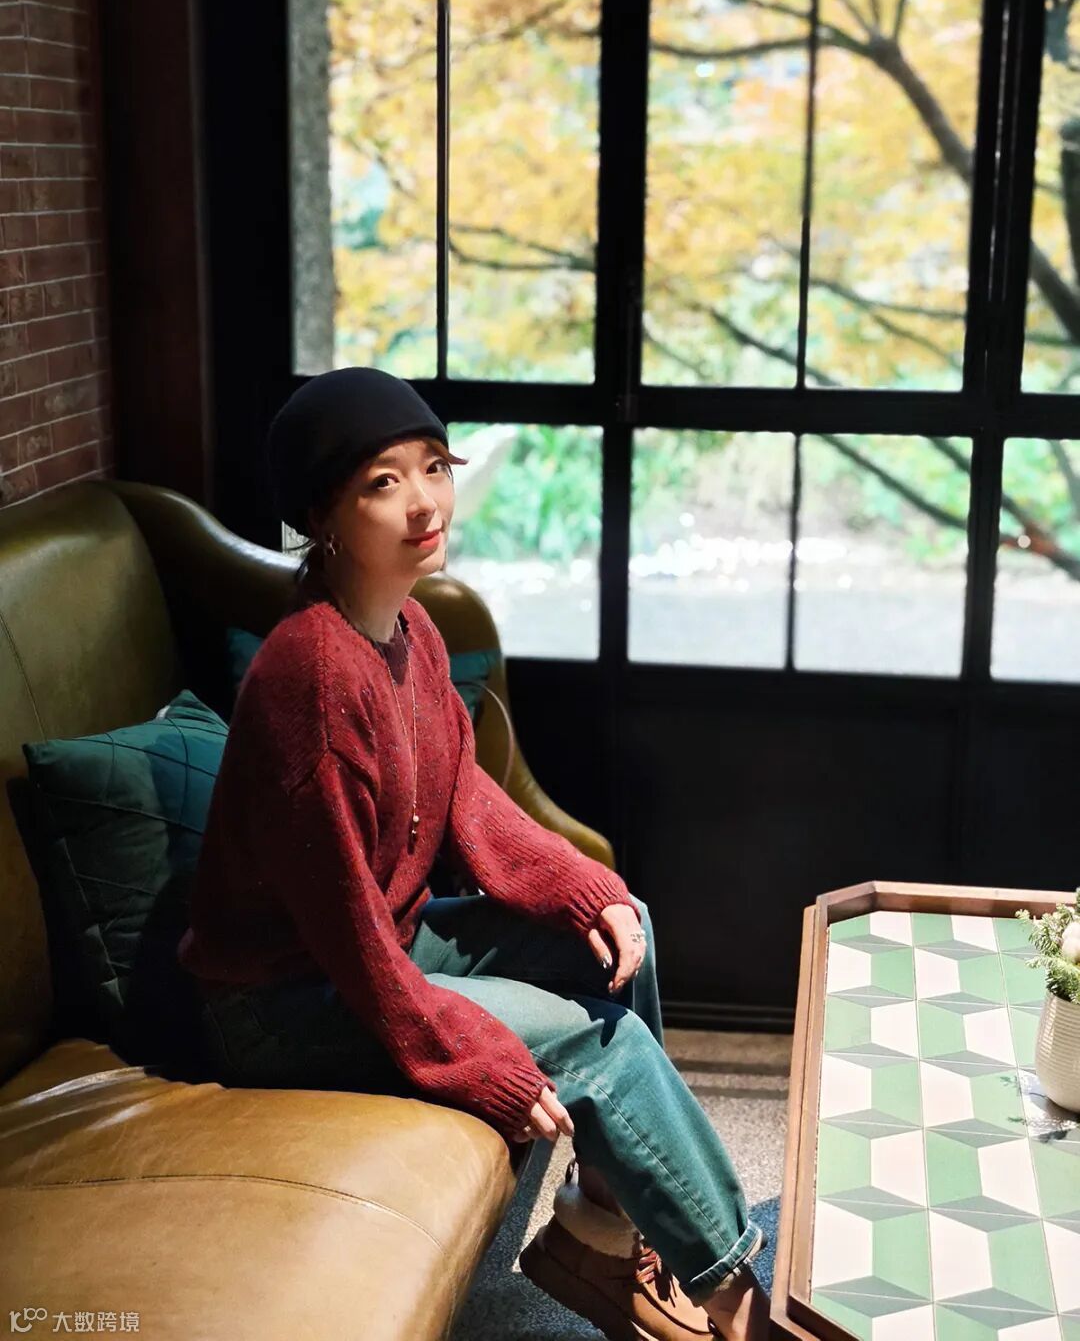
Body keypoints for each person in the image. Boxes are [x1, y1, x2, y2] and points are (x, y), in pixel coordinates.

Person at [176, 367, 770, 1341]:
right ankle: (736, 1299)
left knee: (624, 932)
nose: (425, 502)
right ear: (322, 515)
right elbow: (349, 938)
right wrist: (469, 1054)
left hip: (381, 946)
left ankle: (605, 1228)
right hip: (282, 1001)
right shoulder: (310, 678)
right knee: (603, 1046)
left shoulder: (408, 626)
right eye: (383, 482)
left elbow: (461, 792)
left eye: (434, 467)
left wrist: (582, 887)